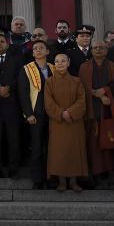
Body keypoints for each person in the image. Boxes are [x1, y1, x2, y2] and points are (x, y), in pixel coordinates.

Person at [79, 41, 114, 189]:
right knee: (93, 146)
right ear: (91, 51)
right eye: (95, 48)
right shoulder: (84, 67)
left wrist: (107, 91)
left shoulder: (113, 66)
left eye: (101, 48)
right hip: (91, 113)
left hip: (109, 113)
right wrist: (95, 94)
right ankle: (95, 175)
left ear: (107, 51)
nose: (98, 50)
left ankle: (111, 176)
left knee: (110, 144)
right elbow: (80, 88)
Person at [44, 52, 87, 192]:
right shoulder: (49, 81)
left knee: (74, 151)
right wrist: (61, 113)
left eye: (63, 61)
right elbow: (48, 102)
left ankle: (74, 182)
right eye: (57, 61)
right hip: (58, 122)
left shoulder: (77, 81)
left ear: (68, 63)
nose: (60, 63)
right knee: (59, 152)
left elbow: (81, 101)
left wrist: (71, 112)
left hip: (74, 122)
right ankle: (61, 181)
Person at [0, 32, 23, 177]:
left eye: (2, 41)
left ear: (7, 44)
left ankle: (14, 167)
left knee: (13, 138)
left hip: (12, 104)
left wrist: (9, 88)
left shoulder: (16, 60)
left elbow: (20, 77)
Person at [20, 39, 51, 190]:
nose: (38, 50)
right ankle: (38, 179)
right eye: (35, 49)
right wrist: (28, 114)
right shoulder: (26, 69)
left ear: (47, 52)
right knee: (37, 147)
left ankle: (51, 177)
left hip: (52, 114)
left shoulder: (54, 68)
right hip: (36, 114)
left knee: (51, 147)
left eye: (41, 48)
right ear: (32, 53)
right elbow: (23, 94)